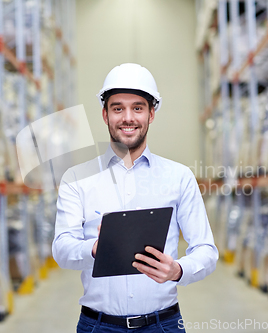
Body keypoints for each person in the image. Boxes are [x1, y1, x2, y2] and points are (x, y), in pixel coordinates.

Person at [52, 63, 218, 332]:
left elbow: (206, 251)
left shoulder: (179, 176)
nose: (127, 118)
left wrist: (178, 270)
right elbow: (61, 249)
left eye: (137, 108)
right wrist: (95, 248)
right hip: (98, 325)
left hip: (162, 325)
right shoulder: (76, 178)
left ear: (152, 114)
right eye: (118, 108)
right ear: (105, 115)